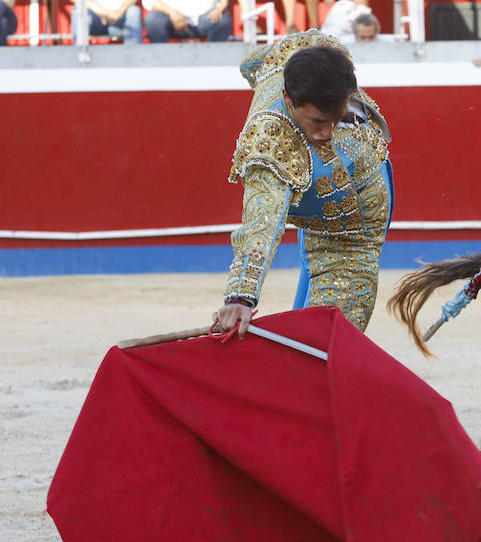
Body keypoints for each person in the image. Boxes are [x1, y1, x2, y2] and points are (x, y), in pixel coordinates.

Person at [216, 31, 394, 337]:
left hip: (354, 234)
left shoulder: (319, 57)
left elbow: (256, 62)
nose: (326, 133)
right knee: (318, 344)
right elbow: (263, 218)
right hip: (324, 214)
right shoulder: (269, 138)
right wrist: (241, 296)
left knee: (319, 337)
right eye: (316, 122)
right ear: (288, 97)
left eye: (334, 120)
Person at [142, 0, 232, 42]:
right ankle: (159, 60)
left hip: (206, 19)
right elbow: (149, 1)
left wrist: (220, 8)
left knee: (222, 20)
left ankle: (216, 62)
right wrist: (172, 12)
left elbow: (223, 2)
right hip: (171, 20)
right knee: (152, 19)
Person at [75, 0, 143, 44]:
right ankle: (79, 56)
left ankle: (133, 59)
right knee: (78, 11)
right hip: (94, 17)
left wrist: (119, 12)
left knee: (134, 11)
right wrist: (101, 11)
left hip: (121, 17)